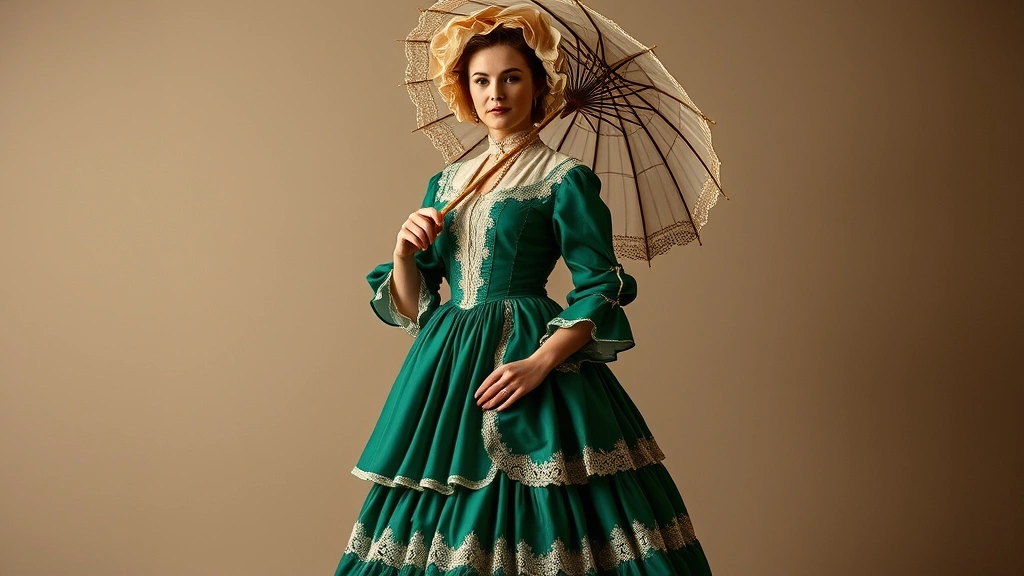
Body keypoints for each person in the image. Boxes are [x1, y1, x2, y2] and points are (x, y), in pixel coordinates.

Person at [334, 5, 712, 575]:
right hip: (447, 364)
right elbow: (413, 308)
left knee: (553, 510)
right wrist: (403, 254)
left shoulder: (565, 178)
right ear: (463, 88)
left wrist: (539, 363)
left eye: (511, 77)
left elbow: (602, 284)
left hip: (531, 353)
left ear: (538, 85)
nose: (495, 93)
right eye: (480, 80)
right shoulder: (446, 183)